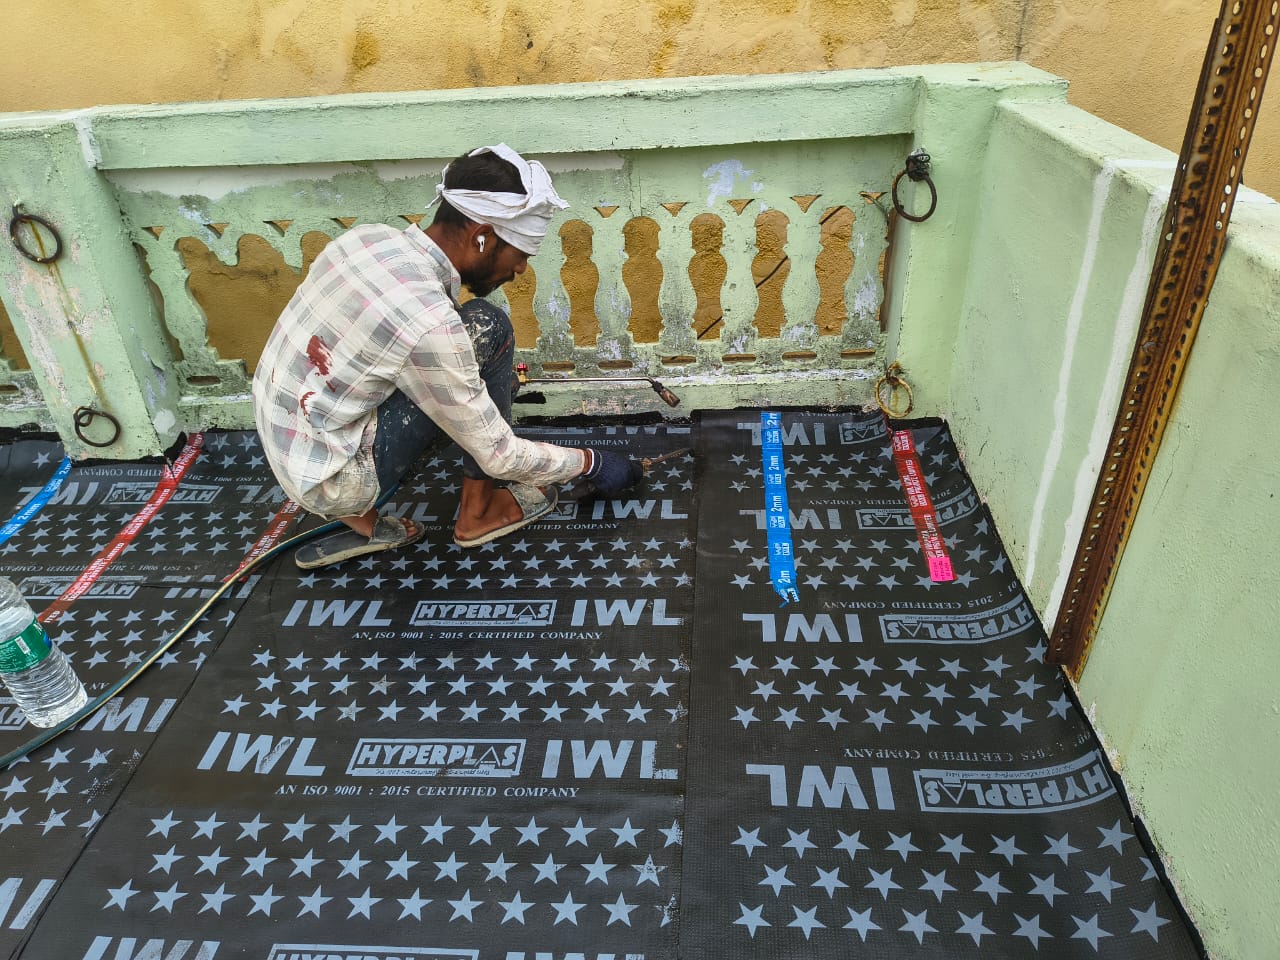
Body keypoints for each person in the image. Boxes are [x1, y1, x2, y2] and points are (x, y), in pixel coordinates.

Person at [252, 144, 641, 569]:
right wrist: (591, 463)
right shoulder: (428, 322)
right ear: (482, 236)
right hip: (336, 478)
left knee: (445, 363)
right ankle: (477, 515)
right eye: (521, 255)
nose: (520, 270)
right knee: (488, 327)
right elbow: (500, 454)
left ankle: (360, 517)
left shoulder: (367, 239)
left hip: (289, 441)